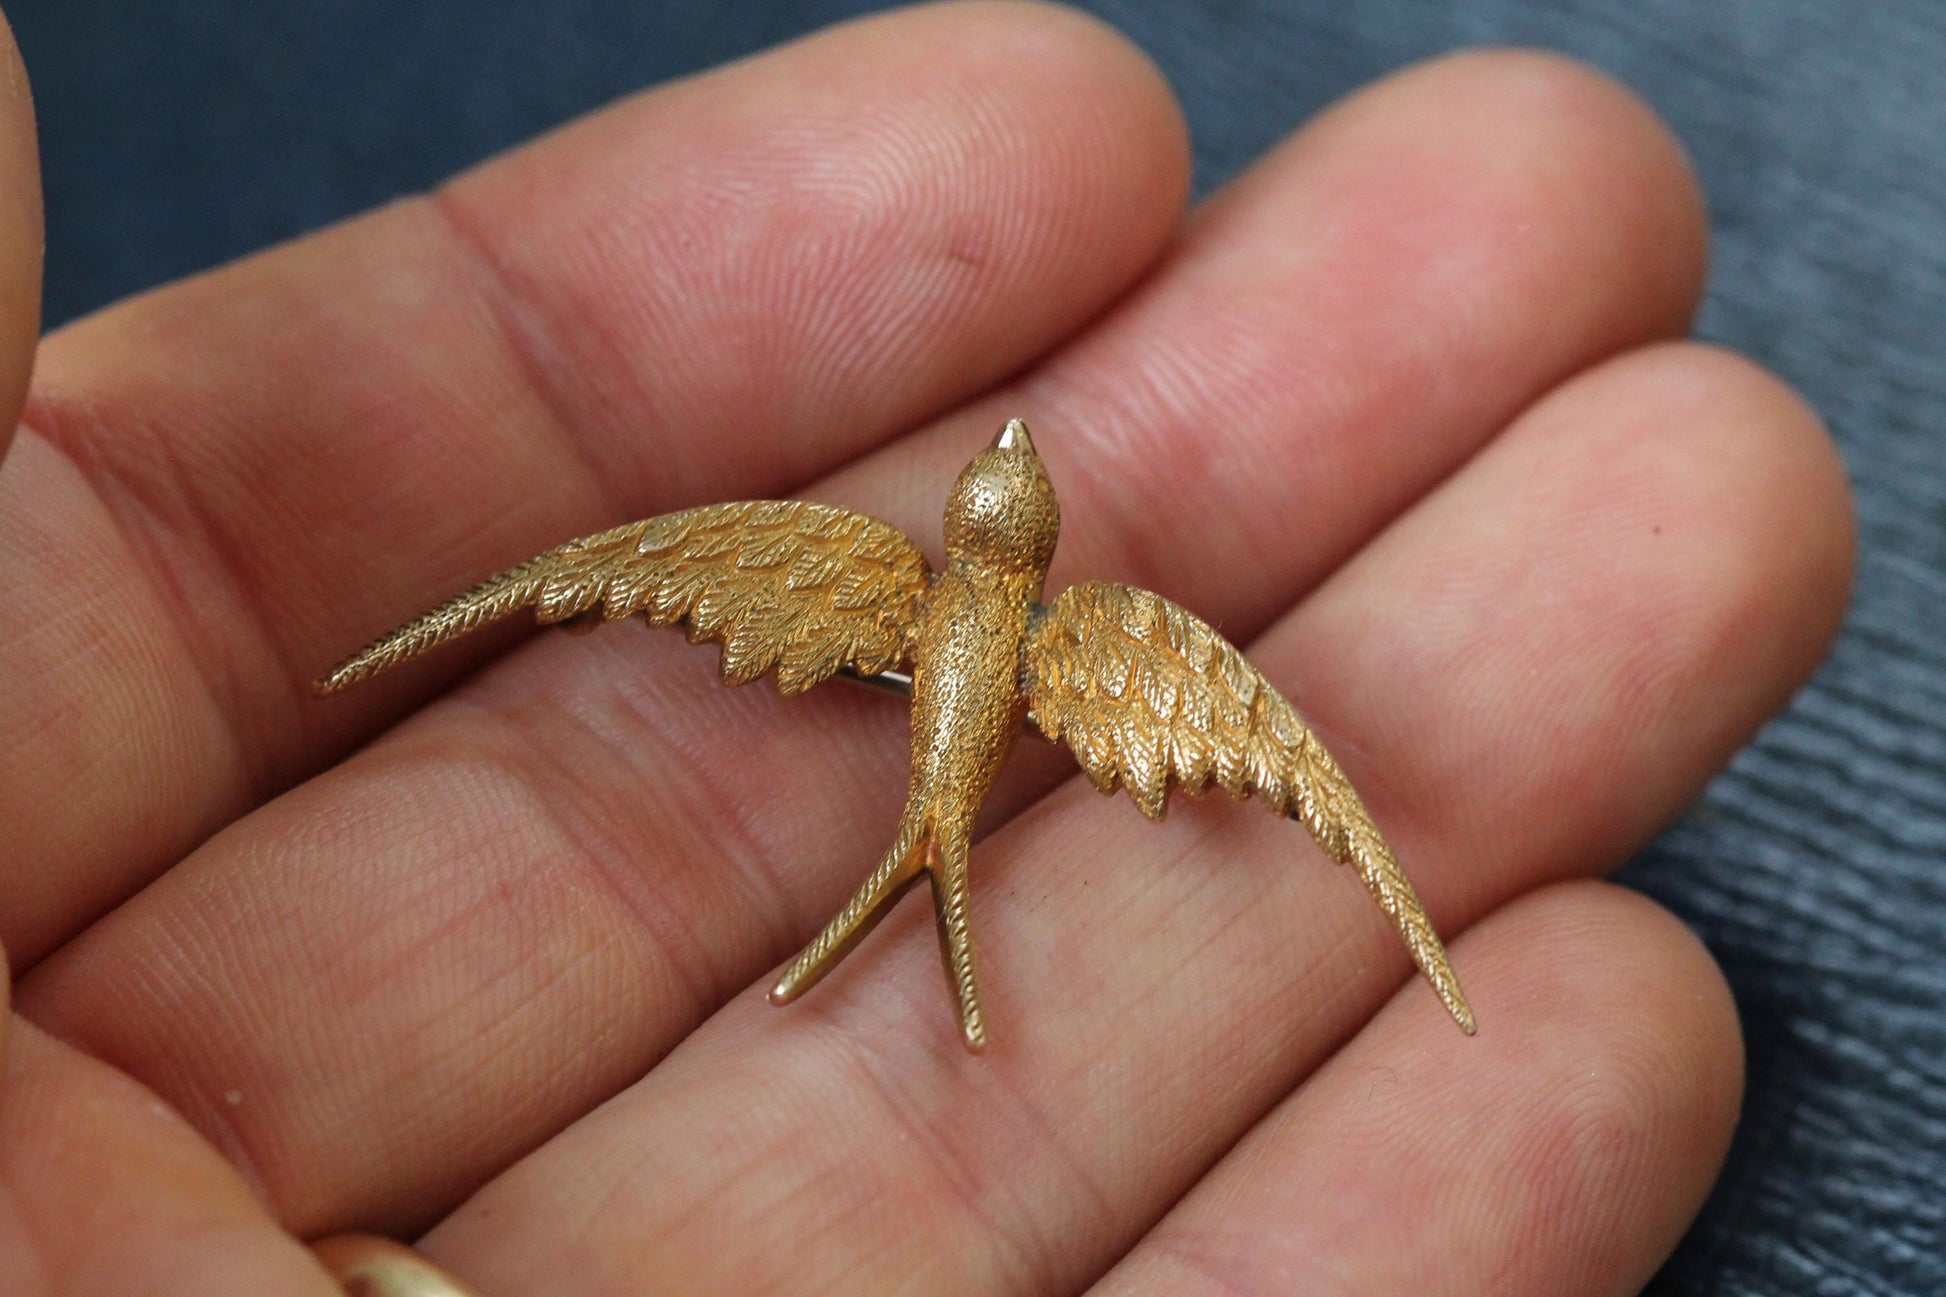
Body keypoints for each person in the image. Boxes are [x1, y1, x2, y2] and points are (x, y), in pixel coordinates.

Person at [0, 3, 1853, 1293]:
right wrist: (490, 597)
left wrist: (1372, 865)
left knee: (946, 845)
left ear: (1003, 537)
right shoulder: (916, 593)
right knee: (890, 816)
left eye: (1006, 490)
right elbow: (631, 566)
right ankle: (932, 886)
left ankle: (935, 886)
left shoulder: (1047, 626)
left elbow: (1266, 740)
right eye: (999, 483)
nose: (1005, 480)